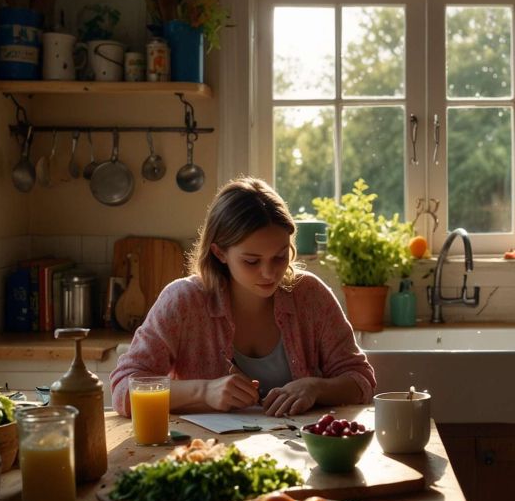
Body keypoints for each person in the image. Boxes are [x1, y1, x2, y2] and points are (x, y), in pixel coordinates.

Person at [110, 177, 375, 417]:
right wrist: (203, 392)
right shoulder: (183, 301)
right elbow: (124, 390)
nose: (269, 273)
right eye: (251, 261)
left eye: (280, 256)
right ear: (219, 253)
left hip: (298, 456)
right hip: (207, 455)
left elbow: (360, 380)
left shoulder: (310, 296)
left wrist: (316, 388)